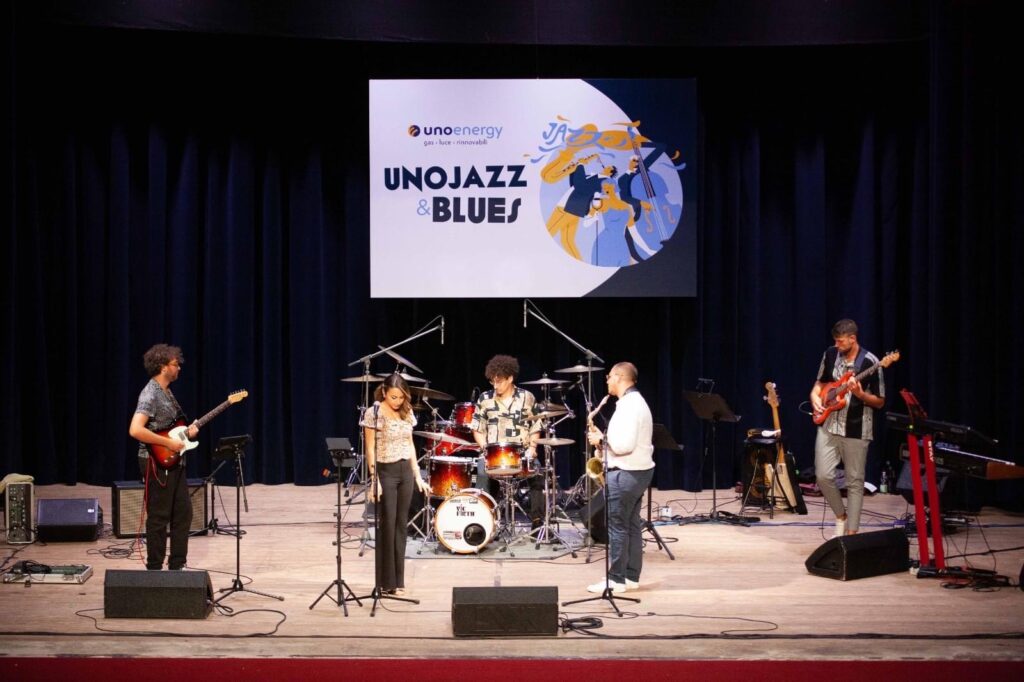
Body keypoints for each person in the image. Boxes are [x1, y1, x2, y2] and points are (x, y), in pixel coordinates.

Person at [809, 319, 886, 537]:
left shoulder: (871, 362)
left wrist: (860, 394)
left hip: (857, 428)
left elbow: (880, 401)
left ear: (853, 338)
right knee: (822, 476)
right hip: (829, 424)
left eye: (841, 341)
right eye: (835, 340)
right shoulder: (830, 354)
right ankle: (840, 515)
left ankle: (852, 534)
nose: (837, 344)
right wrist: (815, 396)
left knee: (855, 482)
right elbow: (820, 383)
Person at [128, 344, 199, 571]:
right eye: (175, 364)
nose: (179, 368)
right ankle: (155, 569)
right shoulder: (150, 393)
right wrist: (168, 443)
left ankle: (177, 566)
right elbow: (135, 430)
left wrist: (187, 432)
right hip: (155, 462)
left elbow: (168, 426)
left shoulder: (166, 391)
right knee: (159, 517)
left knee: (183, 514)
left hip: (174, 461)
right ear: (162, 367)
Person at [586, 361, 654, 593]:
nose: (607, 381)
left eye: (609, 377)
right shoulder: (635, 402)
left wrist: (600, 440)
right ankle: (631, 577)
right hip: (638, 472)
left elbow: (624, 446)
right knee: (632, 525)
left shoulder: (628, 406)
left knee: (617, 528)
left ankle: (616, 580)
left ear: (618, 377)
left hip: (625, 473)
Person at [361, 373, 432, 595]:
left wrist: (417, 475)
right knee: (388, 524)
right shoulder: (373, 413)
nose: (397, 401)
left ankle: (398, 581)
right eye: (394, 397)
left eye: (401, 397)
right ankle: (386, 582)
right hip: (386, 471)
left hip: (405, 472)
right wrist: (374, 480)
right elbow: (370, 449)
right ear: (384, 392)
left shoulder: (406, 411)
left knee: (401, 526)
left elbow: (410, 444)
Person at [471, 354, 544, 531]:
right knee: (481, 471)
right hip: (493, 453)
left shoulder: (527, 397)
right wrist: (485, 449)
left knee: (537, 473)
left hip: (521, 453)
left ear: (510, 378)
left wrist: (533, 447)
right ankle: (484, 523)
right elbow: (477, 428)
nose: (495, 386)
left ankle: (537, 522)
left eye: (499, 381)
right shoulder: (485, 399)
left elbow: (536, 425)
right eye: (492, 382)